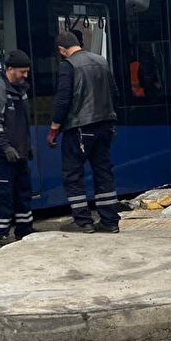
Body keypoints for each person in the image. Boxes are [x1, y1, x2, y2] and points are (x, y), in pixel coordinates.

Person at [47, 31, 120, 233]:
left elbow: (63, 99)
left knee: (73, 174)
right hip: (105, 125)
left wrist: (54, 128)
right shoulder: (101, 61)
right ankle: (110, 221)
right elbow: (115, 93)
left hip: (80, 128)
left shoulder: (68, 65)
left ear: (62, 50)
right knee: (103, 172)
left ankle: (83, 221)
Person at [0, 49, 34, 246]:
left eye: (27, 72)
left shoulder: (21, 91)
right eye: (22, 72)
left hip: (19, 152)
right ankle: (0, 233)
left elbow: (23, 122)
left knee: (23, 191)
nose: (25, 75)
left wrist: (26, 146)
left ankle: (25, 229)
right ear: (10, 69)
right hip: (0, 155)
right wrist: (6, 148)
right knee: (4, 194)